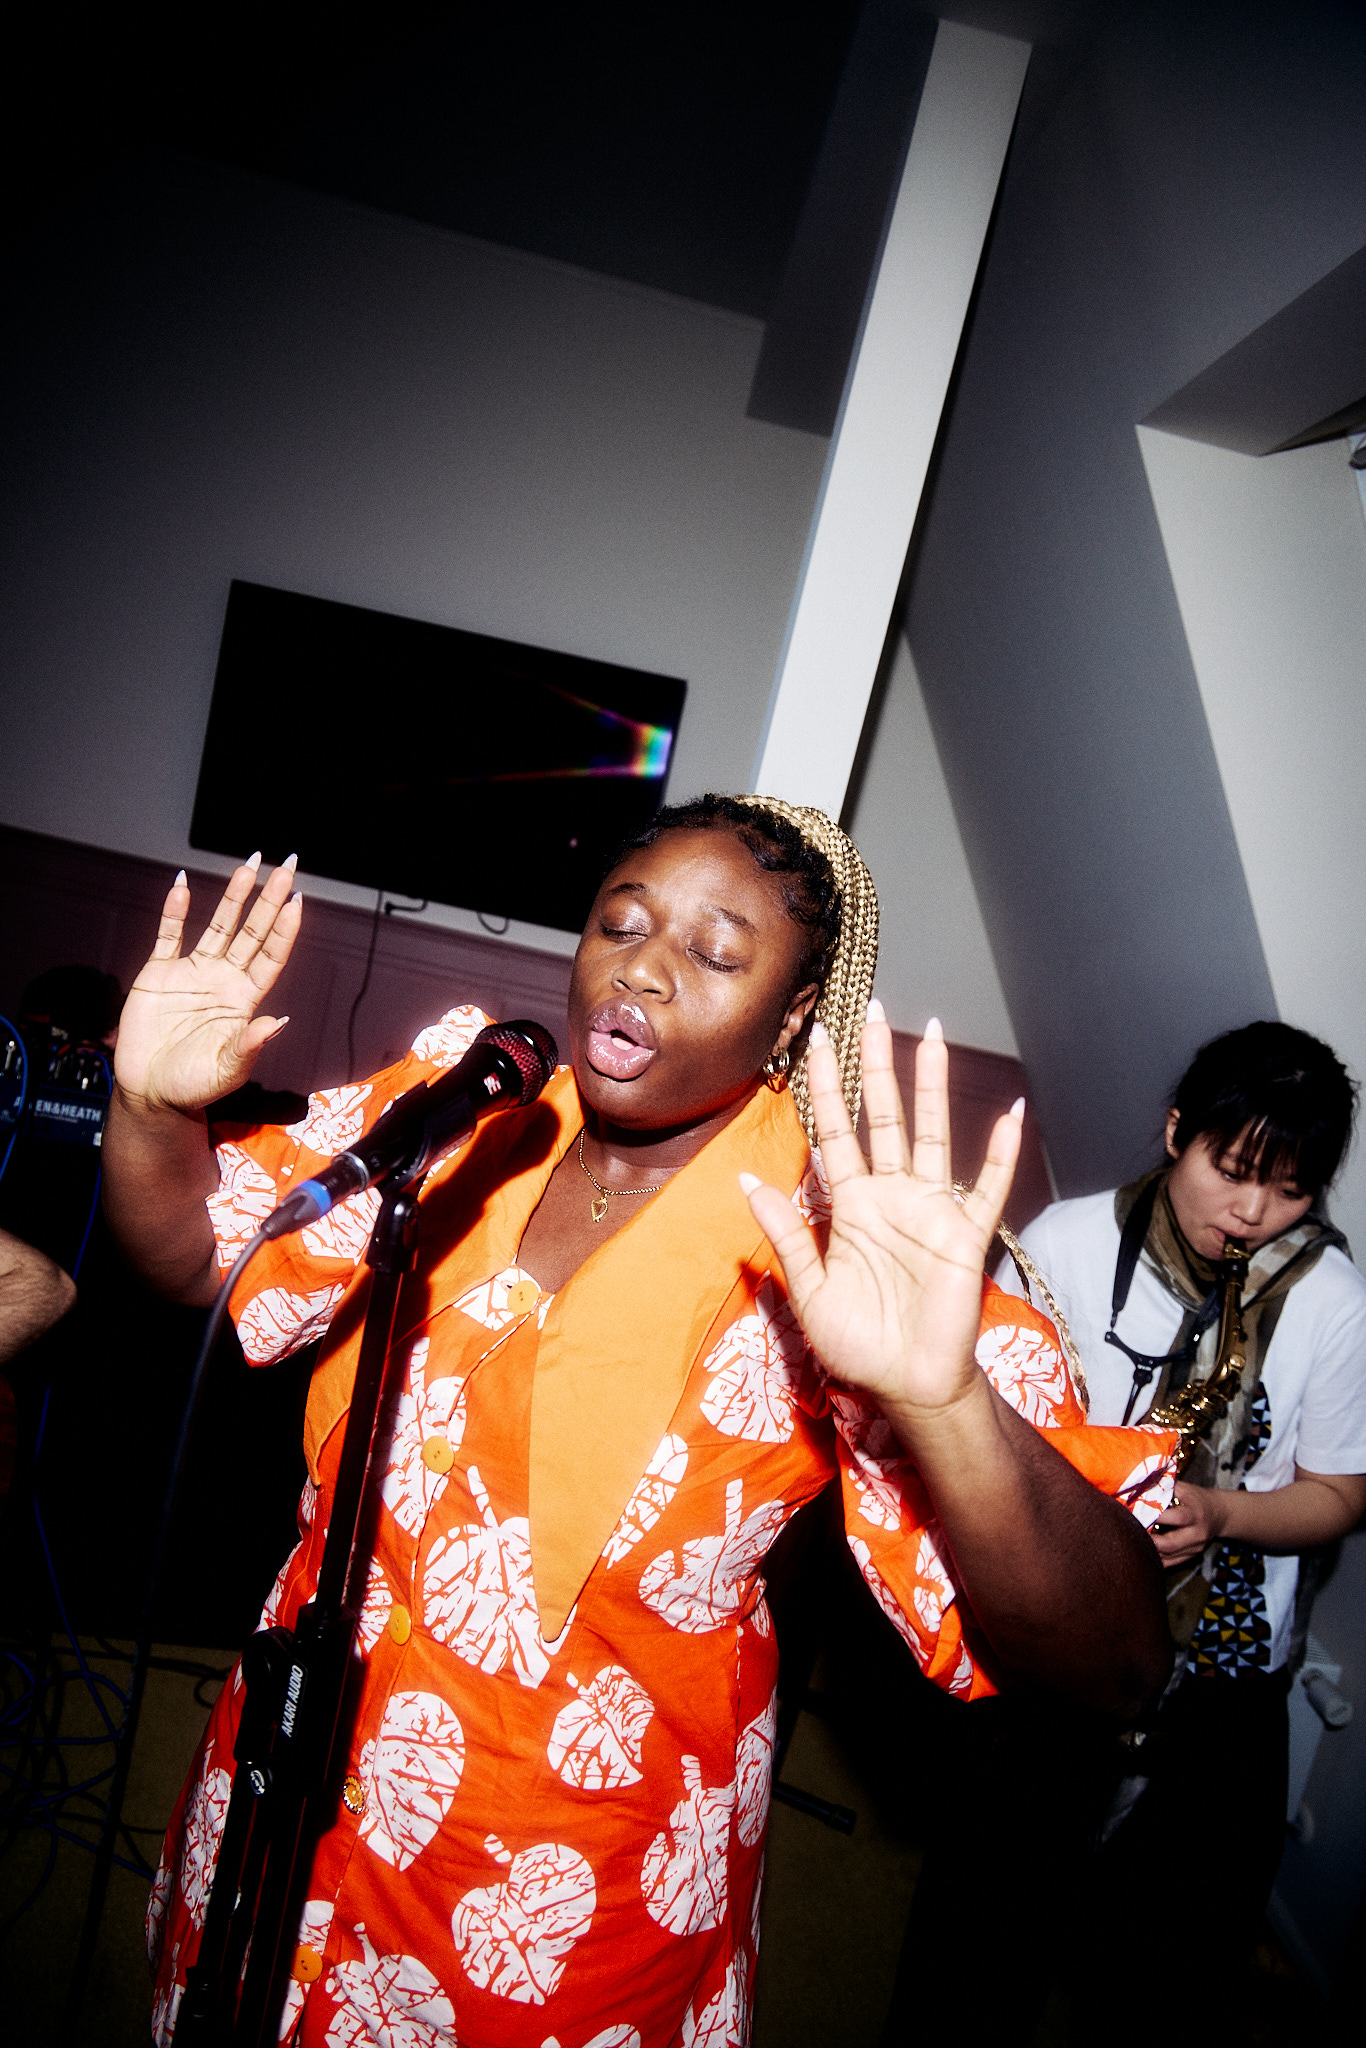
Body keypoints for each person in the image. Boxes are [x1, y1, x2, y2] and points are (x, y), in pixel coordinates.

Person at [104, 797, 1174, 2048]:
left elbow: (1116, 1662)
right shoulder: (473, 1109)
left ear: (790, 1018)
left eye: (716, 953)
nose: (645, 968)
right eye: (620, 924)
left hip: (553, 1902)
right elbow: (201, 1256)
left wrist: (944, 1403)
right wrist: (151, 1104)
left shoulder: (838, 1243)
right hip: (286, 1779)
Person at [997, 1020, 1366, 2041]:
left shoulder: (1333, 1304)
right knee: (995, 1914)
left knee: (1170, 1960)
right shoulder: (1066, 1242)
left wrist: (1225, 1513)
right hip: (1058, 1633)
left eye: (1288, 1191)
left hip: (1221, 1668)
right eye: (1232, 1171)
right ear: (1174, 1132)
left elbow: (1342, 1492)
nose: (1250, 1213)